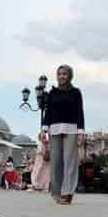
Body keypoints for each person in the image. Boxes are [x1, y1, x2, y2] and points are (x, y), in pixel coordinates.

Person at [41, 64, 85, 205]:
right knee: (56, 163)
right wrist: (43, 129)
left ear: (70, 76)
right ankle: (57, 192)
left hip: (71, 129)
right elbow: (48, 112)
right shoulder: (52, 93)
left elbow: (80, 112)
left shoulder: (76, 92)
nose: (61, 76)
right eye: (59, 74)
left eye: (64, 74)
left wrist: (81, 132)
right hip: (54, 129)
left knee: (70, 162)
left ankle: (67, 193)